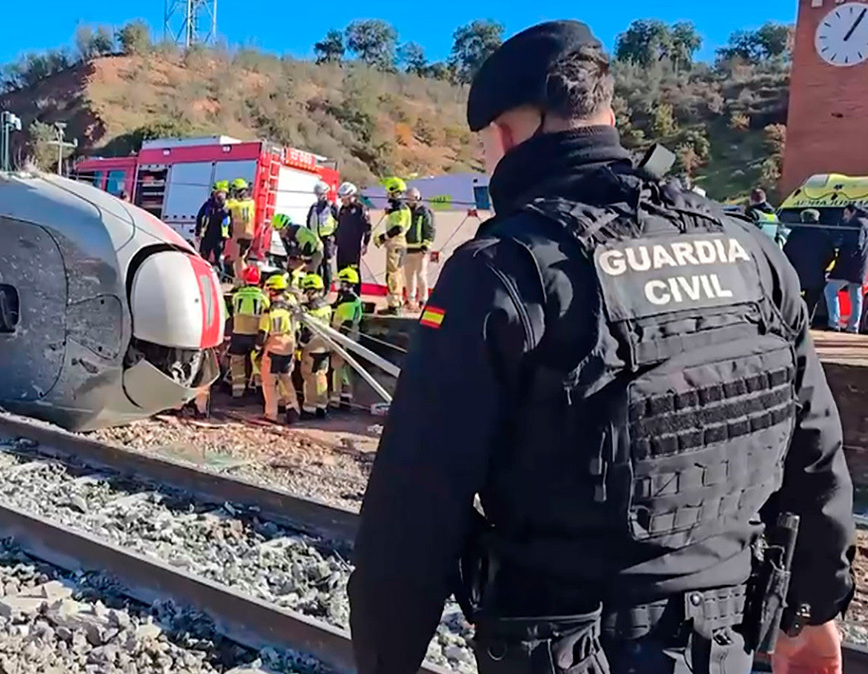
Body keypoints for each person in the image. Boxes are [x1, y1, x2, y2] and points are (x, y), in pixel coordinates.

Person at [347, 20, 855, 674]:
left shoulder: (501, 270)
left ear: (503, 136)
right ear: (604, 114)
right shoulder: (753, 253)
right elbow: (813, 449)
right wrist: (814, 612)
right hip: (722, 641)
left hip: (566, 648)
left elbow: (411, 515)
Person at [258, 274, 300, 424]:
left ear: (272, 291)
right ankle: (293, 409)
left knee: (269, 384)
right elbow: (298, 331)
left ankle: (271, 415)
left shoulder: (269, 311)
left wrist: (257, 349)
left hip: (273, 350)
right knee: (286, 380)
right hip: (288, 349)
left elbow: (262, 334)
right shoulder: (291, 310)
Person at [371, 177, 412, 315]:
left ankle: (394, 305)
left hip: (396, 243)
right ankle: (395, 303)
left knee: (393, 275)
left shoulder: (400, 208)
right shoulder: (399, 208)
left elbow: (398, 228)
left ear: (394, 192)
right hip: (398, 243)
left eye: (388, 191)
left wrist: (383, 237)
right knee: (396, 274)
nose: (387, 194)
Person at [824, 204, 868, 333]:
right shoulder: (866, 223)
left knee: (830, 290)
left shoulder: (855, 224)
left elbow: (853, 246)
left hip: (848, 266)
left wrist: (838, 266)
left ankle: (834, 323)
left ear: (852, 212)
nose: (844, 216)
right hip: (861, 266)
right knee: (855, 295)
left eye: (845, 213)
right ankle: (853, 326)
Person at [227, 266, 269, 399]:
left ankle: (237, 392)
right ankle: (259, 391)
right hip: (254, 335)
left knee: (237, 363)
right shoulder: (263, 297)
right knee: (257, 362)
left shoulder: (237, 296)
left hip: (238, 334)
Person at [296, 273, 333, 418]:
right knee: (321, 376)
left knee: (309, 378)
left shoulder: (311, 309)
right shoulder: (326, 306)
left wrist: (300, 344)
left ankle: (309, 409)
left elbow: (309, 331)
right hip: (324, 346)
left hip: (311, 347)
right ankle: (322, 406)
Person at [329, 266, 365, 409]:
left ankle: (335, 399)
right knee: (344, 369)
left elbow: (346, 324)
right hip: (350, 338)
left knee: (337, 369)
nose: (339, 286)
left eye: (341, 283)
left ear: (347, 284)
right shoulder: (350, 300)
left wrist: (337, 341)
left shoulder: (349, 303)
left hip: (344, 339)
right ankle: (346, 397)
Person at [401, 186, 435, 311]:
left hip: (420, 250)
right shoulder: (405, 211)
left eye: (411, 198)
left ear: (417, 198)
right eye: (407, 198)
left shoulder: (424, 212)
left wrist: (426, 245)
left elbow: (430, 229)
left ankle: (423, 300)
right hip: (407, 249)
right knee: (409, 276)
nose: (409, 201)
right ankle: (410, 300)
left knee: (421, 275)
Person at [307, 181, 340, 281]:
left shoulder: (332, 207)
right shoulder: (313, 207)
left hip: (328, 239)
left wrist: (334, 236)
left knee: (326, 263)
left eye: (321, 194)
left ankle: (327, 287)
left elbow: (339, 222)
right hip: (316, 239)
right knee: (316, 262)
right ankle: (317, 284)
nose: (320, 196)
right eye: (318, 194)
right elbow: (308, 221)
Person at [335, 182, 372, 274]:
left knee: (353, 271)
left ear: (351, 196)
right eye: (342, 199)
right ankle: (343, 287)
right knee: (341, 270)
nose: (343, 201)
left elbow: (367, 228)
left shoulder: (361, 209)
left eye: (345, 199)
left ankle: (355, 288)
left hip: (354, 247)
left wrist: (365, 244)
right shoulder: (342, 209)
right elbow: (339, 226)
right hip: (341, 246)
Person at [226, 178, 257, 283]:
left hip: (241, 235)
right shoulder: (251, 203)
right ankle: (243, 280)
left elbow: (226, 205)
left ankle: (241, 281)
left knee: (239, 261)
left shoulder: (237, 204)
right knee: (239, 260)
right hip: (247, 235)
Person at [196, 181, 230, 270]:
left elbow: (232, 221)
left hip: (220, 237)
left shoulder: (228, 206)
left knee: (218, 259)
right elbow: (199, 217)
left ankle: (220, 277)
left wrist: (230, 233)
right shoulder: (209, 204)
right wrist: (198, 232)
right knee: (204, 257)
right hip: (208, 234)